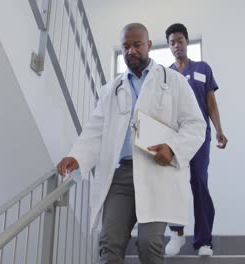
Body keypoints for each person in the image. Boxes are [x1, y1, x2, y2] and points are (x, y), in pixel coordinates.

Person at [56, 23, 206, 264]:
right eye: (125, 46)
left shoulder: (175, 82)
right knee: (109, 242)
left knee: (149, 244)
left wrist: (173, 148)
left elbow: (196, 125)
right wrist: (78, 156)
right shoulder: (111, 90)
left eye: (137, 44)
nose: (131, 51)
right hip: (122, 177)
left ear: (148, 45)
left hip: (157, 171)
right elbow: (96, 130)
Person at [164, 23, 228, 257]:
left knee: (199, 182)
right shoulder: (168, 74)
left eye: (180, 40)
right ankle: (177, 233)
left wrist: (219, 129)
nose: (176, 45)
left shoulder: (203, 68)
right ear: (169, 47)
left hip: (200, 136)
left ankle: (204, 241)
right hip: (176, 138)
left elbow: (210, 102)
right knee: (174, 182)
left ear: (186, 42)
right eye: (172, 42)